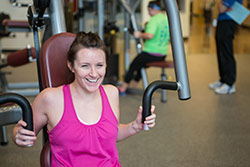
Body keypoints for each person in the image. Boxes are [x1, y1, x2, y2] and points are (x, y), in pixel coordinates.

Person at [12, 32, 156, 166]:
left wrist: (135, 126)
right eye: (85, 66)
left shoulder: (111, 92)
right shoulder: (50, 98)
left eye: (99, 65)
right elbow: (23, 133)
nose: (94, 74)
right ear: (71, 66)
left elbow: (108, 135)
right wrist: (18, 135)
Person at [118, 0, 170, 95]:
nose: (148, 13)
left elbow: (150, 35)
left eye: (149, 10)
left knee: (133, 65)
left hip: (151, 53)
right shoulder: (165, 19)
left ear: (152, 9)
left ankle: (123, 88)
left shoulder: (154, 20)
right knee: (140, 65)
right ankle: (133, 84)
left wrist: (139, 34)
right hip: (162, 54)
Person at [209, 0, 242, 94]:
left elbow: (221, 8)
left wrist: (221, 4)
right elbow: (221, 7)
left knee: (226, 52)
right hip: (222, 21)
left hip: (228, 22)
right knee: (221, 52)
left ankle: (229, 84)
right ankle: (223, 79)